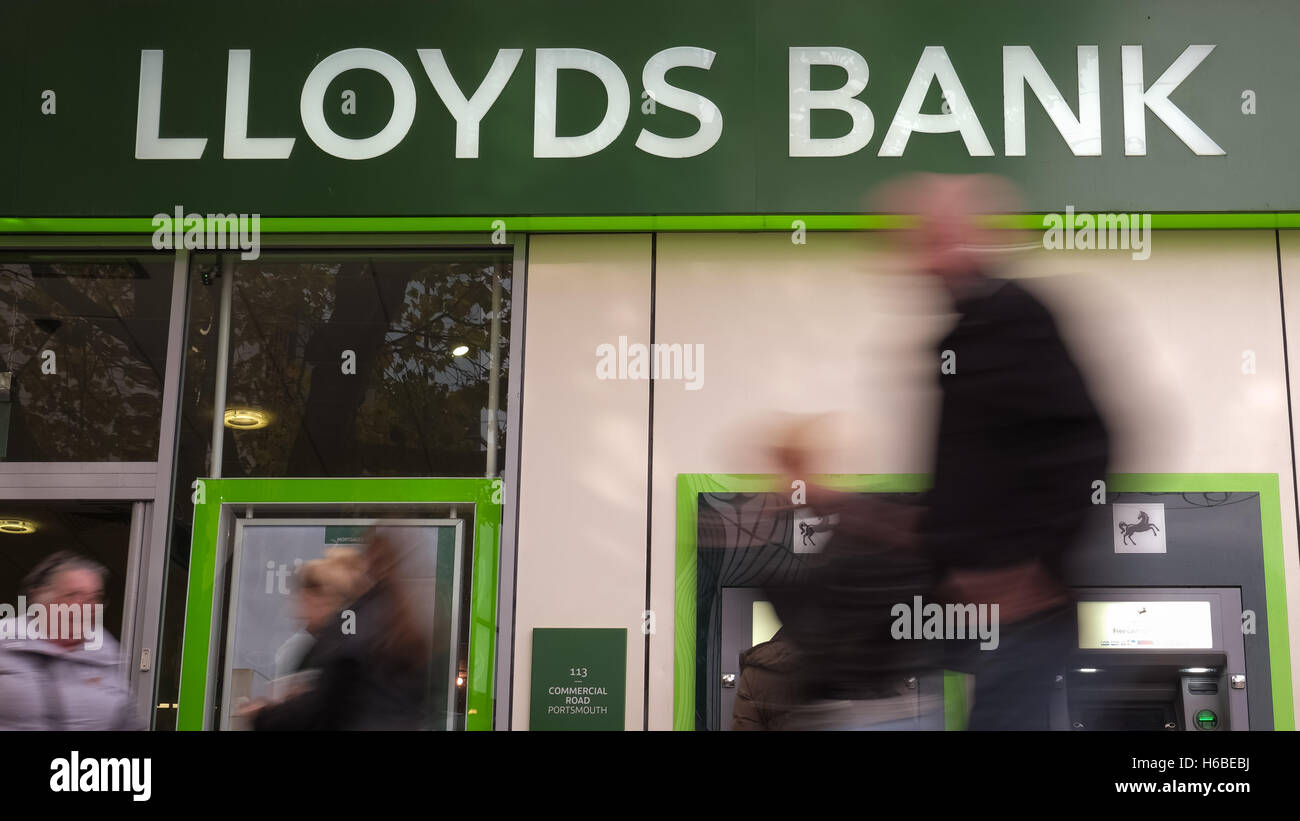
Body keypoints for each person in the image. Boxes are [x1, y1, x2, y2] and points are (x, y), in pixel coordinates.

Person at [881, 173, 1111, 730]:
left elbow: (1084, 440)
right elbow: (979, 470)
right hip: (970, 615)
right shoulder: (963, 331)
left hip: (1019, 614)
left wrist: (1023, 561)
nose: (915, 255)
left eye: (930, 235)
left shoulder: (1013, 314)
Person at [249, 529, 431, 730]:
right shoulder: (400, 627)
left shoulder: (350, 637)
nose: (297, 611)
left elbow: (322, 705)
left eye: (305, 598)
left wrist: (263, 715)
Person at [0, 551, 144, 730]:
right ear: (40, 599)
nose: (85, 607)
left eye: (94, 598)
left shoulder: (108, 657)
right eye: (71, 595)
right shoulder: (5, 643)